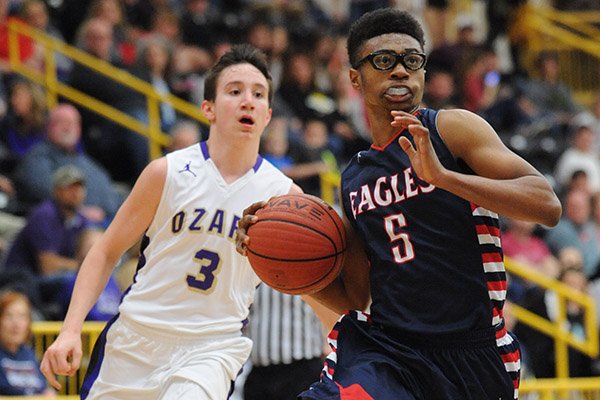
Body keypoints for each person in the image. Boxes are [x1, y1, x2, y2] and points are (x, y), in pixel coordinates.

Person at [237, 8, 562, 399]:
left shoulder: (451, 129)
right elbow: (355, 297)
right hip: (388, 352)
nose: (400, 71)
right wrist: (275, 262)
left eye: (412, 61)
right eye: (384, 61)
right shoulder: (355, 177)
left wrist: (444, 178)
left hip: (472, 355)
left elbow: (547, 204)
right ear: (355, 77)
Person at [40, 44, 334, 399]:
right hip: (137, 337)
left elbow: (313, 281)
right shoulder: (167, 172)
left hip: (211, 347)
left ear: (268, 114)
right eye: (234, 91)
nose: (247, 100)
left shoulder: (284, 196)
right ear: (207, 107)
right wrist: (71, 329)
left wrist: (349, 345)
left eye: (258, 94)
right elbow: (105, 252)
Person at [12, 104, 124, 225]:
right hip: (62, 226)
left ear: (79, 129)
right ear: (49, 127)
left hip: (103, 224)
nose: (67, 127)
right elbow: (39, 189)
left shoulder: (89, 163)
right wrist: (80, 212)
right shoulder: (37, 157)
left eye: (73, 123)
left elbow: (110, 198)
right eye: (61, 122)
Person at [0, 290, 54, 396]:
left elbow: (43, 388)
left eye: (22, 316)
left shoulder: (29, 354)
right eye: (9, 316)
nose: (16, 323)